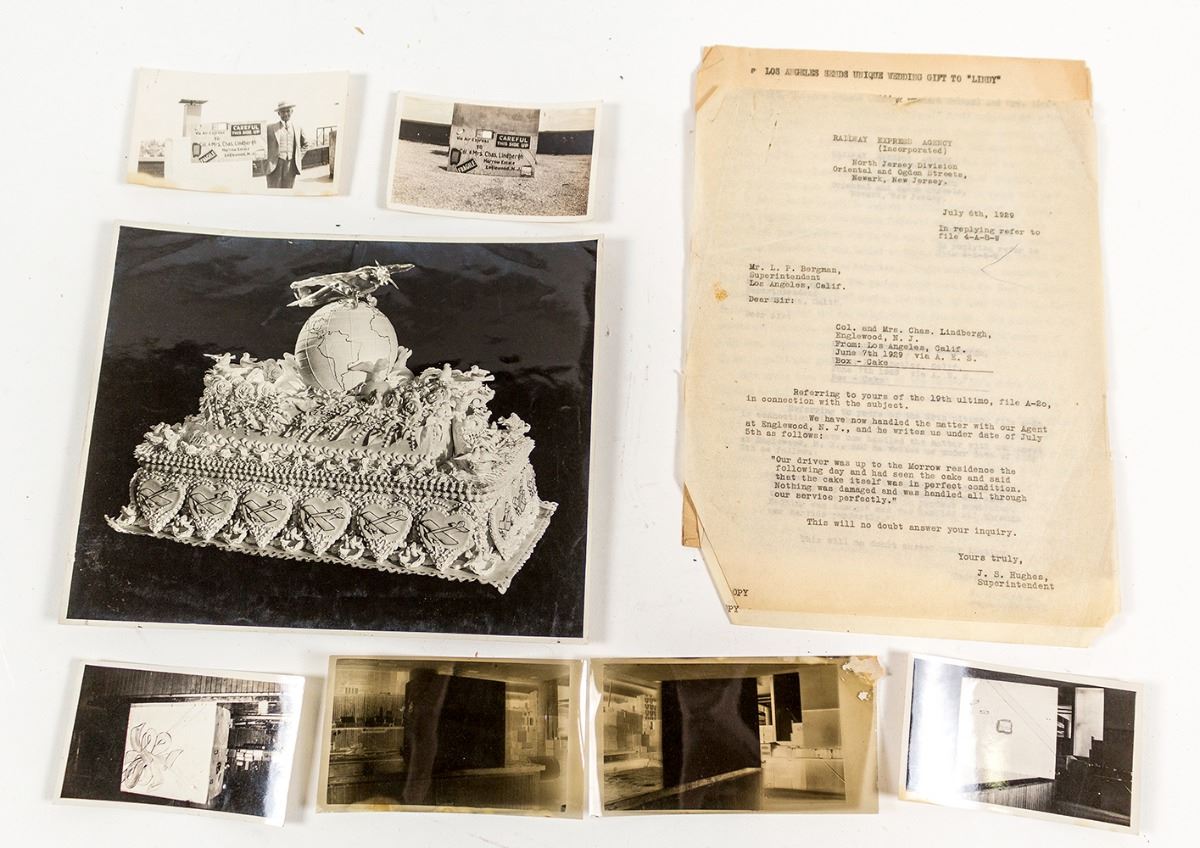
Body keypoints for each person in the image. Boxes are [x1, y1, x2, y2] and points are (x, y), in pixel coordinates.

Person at [264, 101, 307, 189]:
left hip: (290, 166)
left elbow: (306, 144)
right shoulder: (270, 128)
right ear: (278, 113)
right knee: (274, 191)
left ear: (292, 112)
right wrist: (265, 162)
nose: (285, 114)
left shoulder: (298, 128)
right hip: (274, 166)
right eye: (283, 112)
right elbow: (260, 144)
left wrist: (297, 157)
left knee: (288, 191)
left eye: (288, 111)